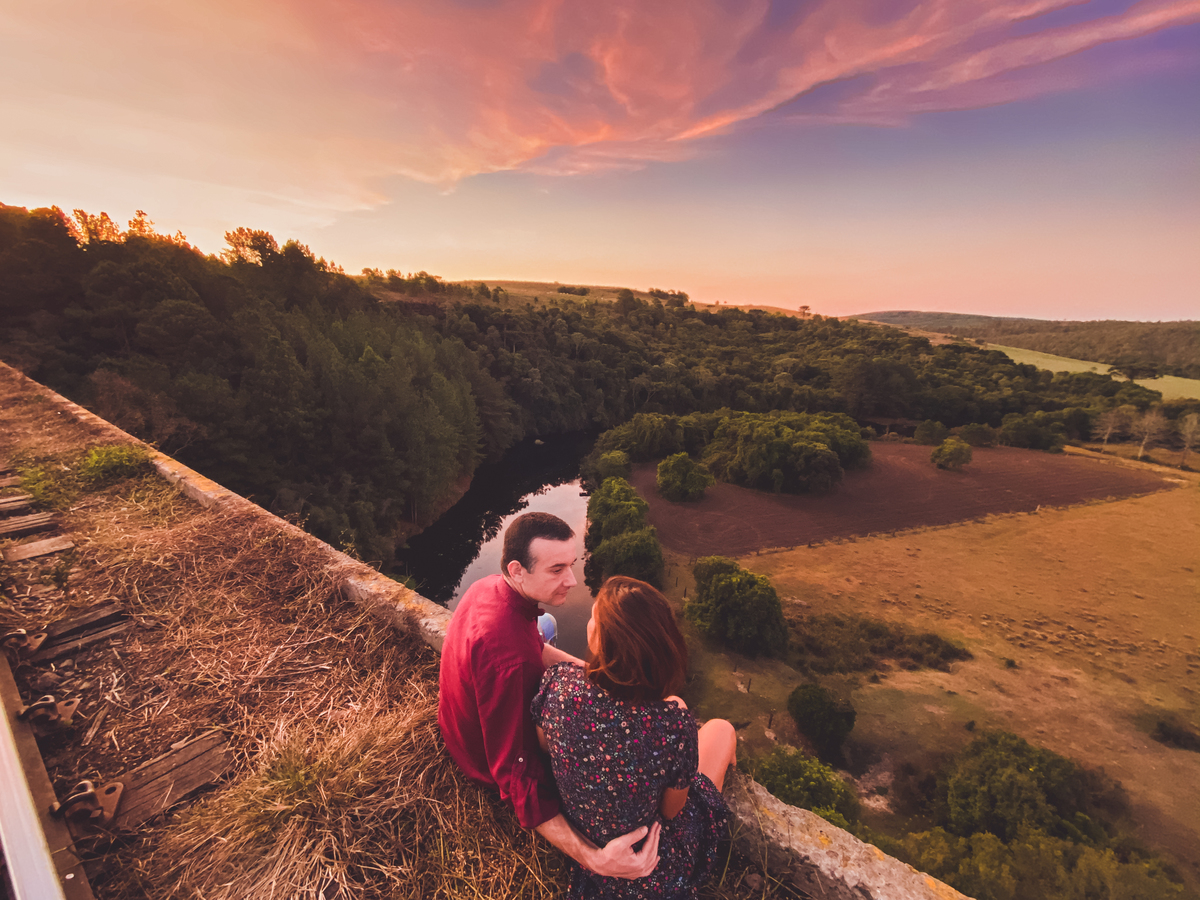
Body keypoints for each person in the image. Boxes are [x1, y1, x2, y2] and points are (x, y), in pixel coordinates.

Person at [438, 512, 661, 879]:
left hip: (457, 720)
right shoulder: (510, 662)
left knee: (546, 625)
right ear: (518, 569)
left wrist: (605, 681)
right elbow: (514, 775)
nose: (571, 581)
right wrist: (593, 858)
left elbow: (534, 644)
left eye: (571, 566)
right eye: (556, 570)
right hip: (478, 759)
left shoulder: (490, 587)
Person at [532, 576, 737, 899]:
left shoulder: (559, 686)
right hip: (646, 858)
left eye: (593, 621)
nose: (588, 625)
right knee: (723, 730)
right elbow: (671, 812)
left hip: (583, 831)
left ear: (602, 642)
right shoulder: (672, 726)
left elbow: (544, 745)